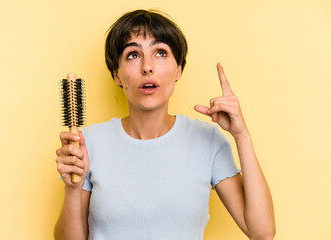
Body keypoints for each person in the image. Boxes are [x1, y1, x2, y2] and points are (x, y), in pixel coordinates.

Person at [54, 9, 276, 240]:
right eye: (133, 55)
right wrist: (72, 190)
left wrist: (242, 136)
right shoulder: (87, 143)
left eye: (160, 53)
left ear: (178, 70)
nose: (147, 67)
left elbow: (262, 233)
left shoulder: (207, 140)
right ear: (116, 74)